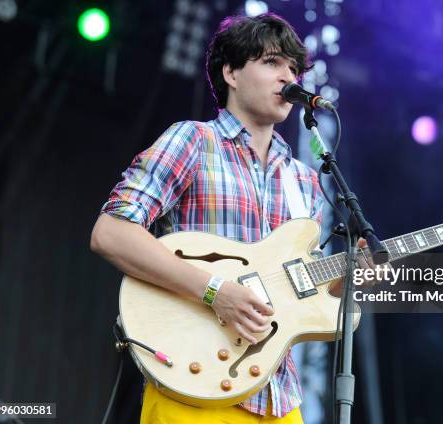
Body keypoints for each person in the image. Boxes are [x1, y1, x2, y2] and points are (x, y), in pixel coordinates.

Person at [91, 12, 326, 423]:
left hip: (279, 397)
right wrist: (216, 291)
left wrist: (349, 278)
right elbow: (111, 233)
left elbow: (301, 292)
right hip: (193, 386)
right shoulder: (193, 141)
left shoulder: (304, 180)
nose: (287, 78)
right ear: (231, 72)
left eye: (293, 68)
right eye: (272, 63)